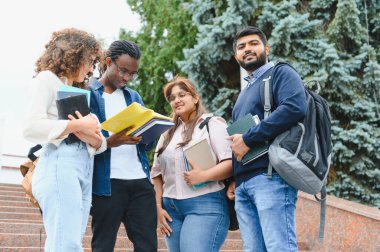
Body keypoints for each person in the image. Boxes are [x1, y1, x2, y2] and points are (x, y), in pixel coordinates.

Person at [23, 28, 107, 251]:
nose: (91, 69)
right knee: (65, 243)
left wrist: (96, 140)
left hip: (83, 168)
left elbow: (97, 140)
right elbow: (31, 127)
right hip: (60, 164)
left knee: (69, 242)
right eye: (89, 61)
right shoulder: (46, 79)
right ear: (74, 55)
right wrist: (78, 125)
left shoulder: (77, 91)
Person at [227, 26, 307, 252]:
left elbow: (294, 107)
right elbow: (238, 140)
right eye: (241, 47)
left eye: (253, 43)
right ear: (236, 56)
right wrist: (235, 178)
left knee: (279, 248)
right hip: (243, 185)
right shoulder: (242, 95)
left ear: (266, 48)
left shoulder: (280, 73)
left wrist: (249, 139)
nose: (247, 49)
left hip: (271, 178)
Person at [89, 40, 157, 252]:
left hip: (140, 182)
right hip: (107, 184)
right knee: (103, 245)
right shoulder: (89, 94)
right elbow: (81, 143)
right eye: (123, 71)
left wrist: (148, 133)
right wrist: (110, 142)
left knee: (147, 245)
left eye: (132, 74)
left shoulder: (133, 96)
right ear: (108, 62)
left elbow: (148, 145)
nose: (127, 78)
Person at [151, 76, 233, 252]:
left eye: (182, 95)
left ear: (195, 98)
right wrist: (158, 208)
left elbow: (230, 163)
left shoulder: (212, 124)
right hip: (170, 208)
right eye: (172, 98)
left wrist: (204, 176)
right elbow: (156, 174)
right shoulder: (166, 133)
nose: (177, 100)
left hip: (205, 204)